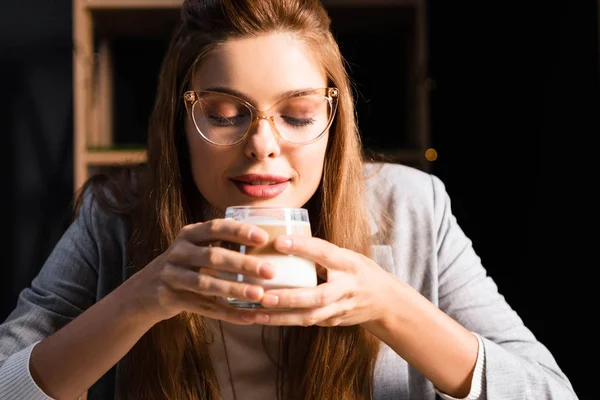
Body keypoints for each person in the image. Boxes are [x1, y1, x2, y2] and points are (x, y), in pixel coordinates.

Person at [0, 0, 578, 399]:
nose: (263, 145)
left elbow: (547, 391)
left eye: (298, 115)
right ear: (181, 119)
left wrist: (390, 307)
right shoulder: (117, 216)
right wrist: (141, 299)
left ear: (333, 117)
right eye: (225, 115)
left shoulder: (411, 209)